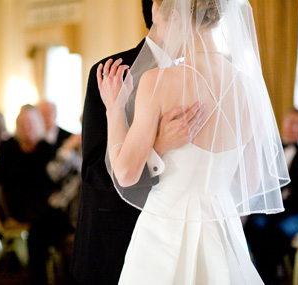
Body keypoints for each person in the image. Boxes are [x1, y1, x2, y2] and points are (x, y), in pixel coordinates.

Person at [98, 0, 290, 283]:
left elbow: (125, 174)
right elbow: (249, 183)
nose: (157, 34)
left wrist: (114, 109)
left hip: (165, 227)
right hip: (222, 224)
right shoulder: (249, 87)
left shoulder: (157, 81)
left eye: (157, 24)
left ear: (175, 18)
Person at [71, 0, 207, 283]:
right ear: (158, 11)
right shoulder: (112, 71)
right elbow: (94, 171)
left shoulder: (205, 78)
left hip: (182, 227)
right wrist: (156, 147)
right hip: (117, 231)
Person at [245, 108, 298, 282]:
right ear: (283, 124)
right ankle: (265, 276)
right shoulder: (272, 149)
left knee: (279, 232)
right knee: (253, 224)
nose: (294, 128)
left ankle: (272, 276)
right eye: (290, 123)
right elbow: (261, 180)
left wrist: (281, 181)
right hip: (275, 208)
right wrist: (296, 176)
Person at [0, 105, 71, 285]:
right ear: (16, 126)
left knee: (41, 226)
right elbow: (6, 181)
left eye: (30, 123)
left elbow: (55, 181)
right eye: (22, 124)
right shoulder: (8, 148)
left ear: (38, 125)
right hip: (20, 204)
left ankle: (41, 275)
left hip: (42, 204)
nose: (26, 127)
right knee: (47, 221)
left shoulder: (47, 148)